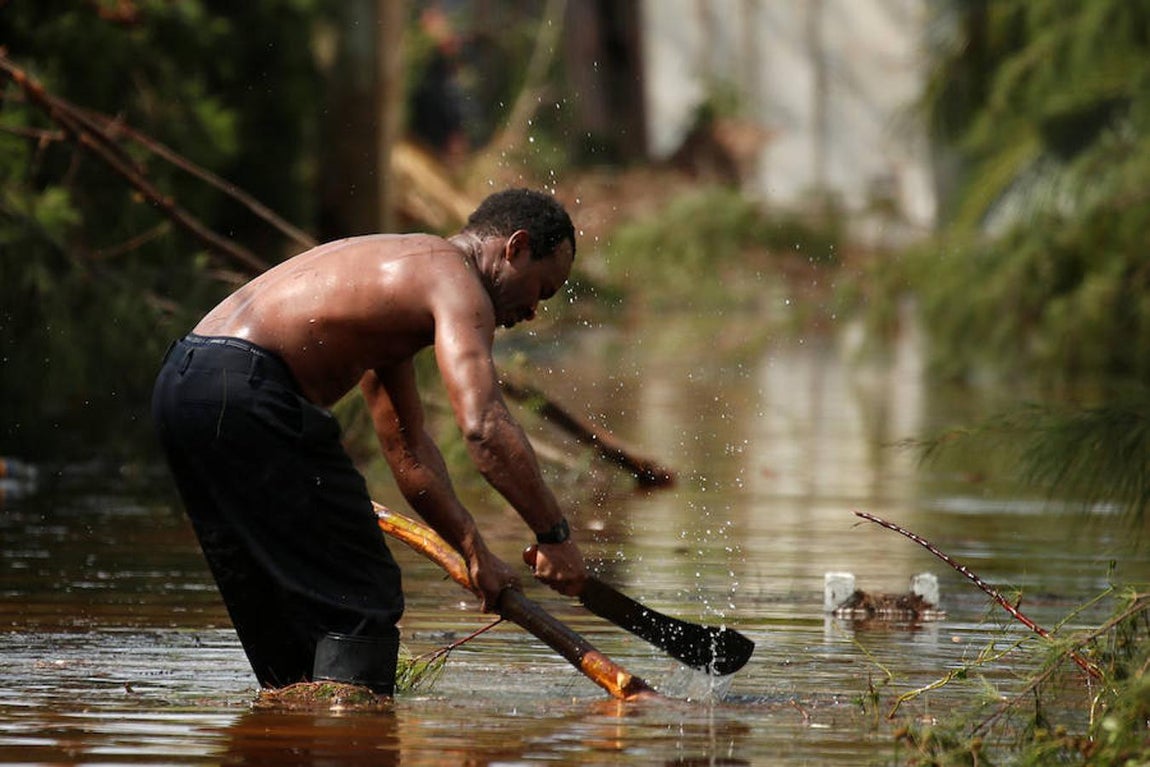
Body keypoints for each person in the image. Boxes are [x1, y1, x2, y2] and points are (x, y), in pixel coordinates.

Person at [152, 188, 587, 695]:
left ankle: (291, 726)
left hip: (183, 385)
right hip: (246, 391)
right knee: (362, 594)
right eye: (543, 289)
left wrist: (475, 550)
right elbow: (483, 426)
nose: (533, 310)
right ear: (515, 247)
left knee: (276, 603)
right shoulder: (456, 282)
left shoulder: (402, 278)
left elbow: (407, 448)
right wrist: (555, 535)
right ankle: (355, 735)